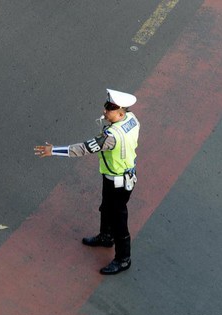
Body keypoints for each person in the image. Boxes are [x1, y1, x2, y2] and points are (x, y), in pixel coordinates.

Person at [34, 89, 140, 275]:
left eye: (111, 108)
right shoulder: (131, 119)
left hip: (118, 181)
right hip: (118, 177)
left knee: (119, 220)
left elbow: (83, 149)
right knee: (106, 208)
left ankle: (124, 259)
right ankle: (106, 237)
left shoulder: (111, 137)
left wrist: (54, 150)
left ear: (121, 113)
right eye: (107, 105)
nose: (105, 110)